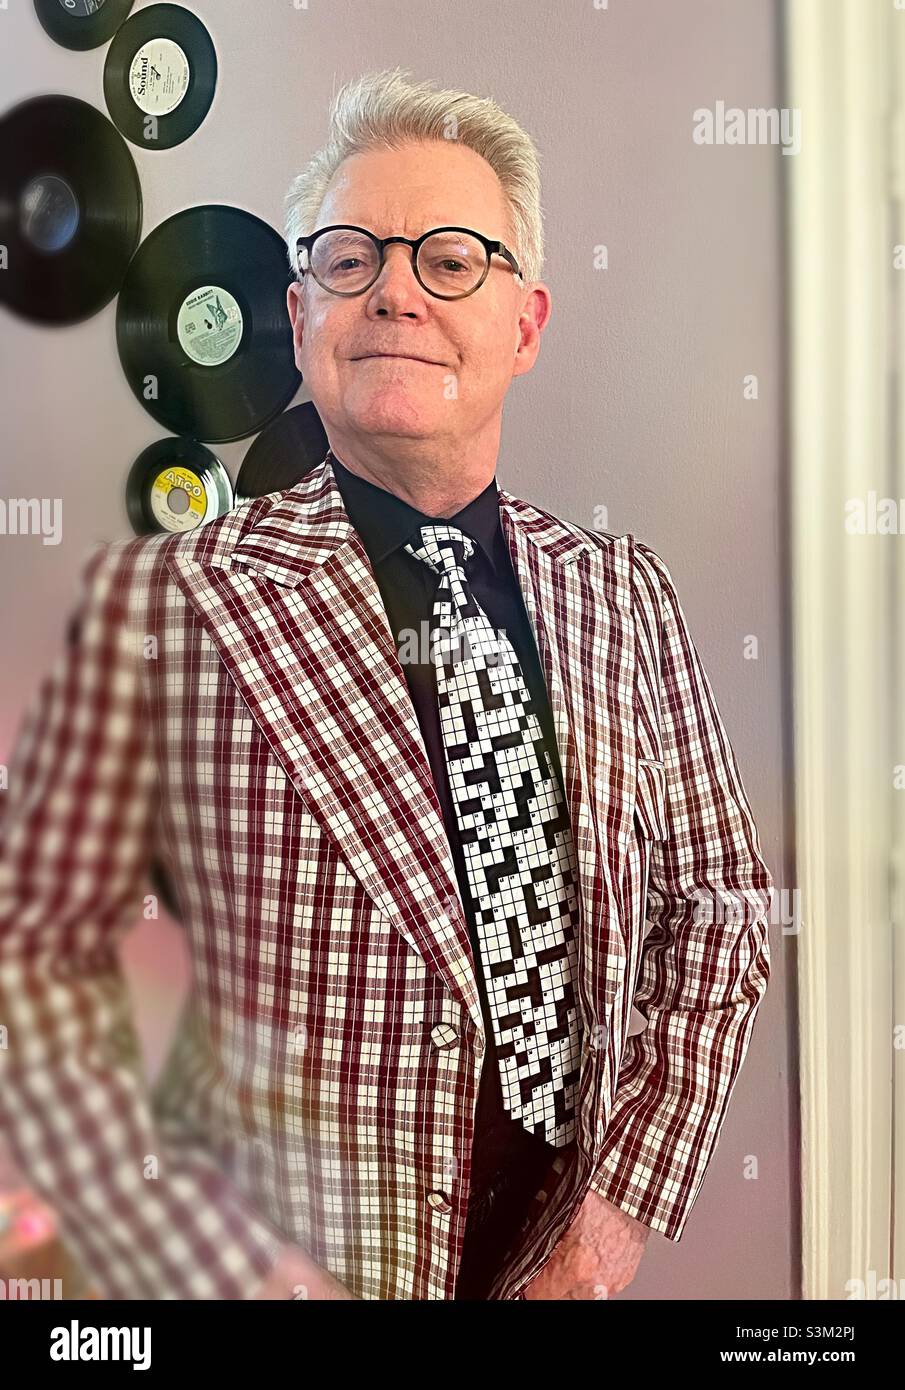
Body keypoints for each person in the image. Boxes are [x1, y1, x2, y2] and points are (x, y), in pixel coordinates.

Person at [0, 69, 773, 1301]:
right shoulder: (160, 604)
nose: (397, 291)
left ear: (524, 324)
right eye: (353, 259)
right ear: (303, 317)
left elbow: (725, 908)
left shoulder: (624, 596)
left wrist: (611, 1221)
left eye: (451, 259)